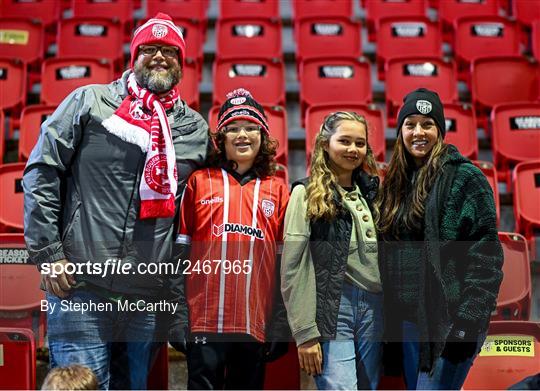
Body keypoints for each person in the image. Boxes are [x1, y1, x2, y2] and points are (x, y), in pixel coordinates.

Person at [23, 13, 209, 390]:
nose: (159, 57)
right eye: (150, 49)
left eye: (169, 51)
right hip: (80, 286)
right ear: (134, 56)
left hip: (145, 295)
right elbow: (42, 170)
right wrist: (48, 252)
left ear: (182, 61)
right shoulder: (89, 102)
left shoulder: (195, 129)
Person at [376, 88, 503, 389]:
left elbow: (486, 257)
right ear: (400, 131)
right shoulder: (395, 182)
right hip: (407, 324)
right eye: (411, 124)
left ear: (440, 130)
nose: (418, 132)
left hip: (449, 320)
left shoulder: (466, 179)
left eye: (427, 123)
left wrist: (467, 321)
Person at [172, 89, 290, 389]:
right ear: (221, 139)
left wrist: (281, 321)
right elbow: (179, 255)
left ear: (263, 136)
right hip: (204, 320)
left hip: (254, 322)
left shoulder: (277, 190)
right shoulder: (200, 182)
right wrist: (177, 313)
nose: (242, 135)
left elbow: (284, 265)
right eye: (233, 128)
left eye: (251, 128)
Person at [281, 111, 383, 390]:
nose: (353, 149)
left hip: (375, 309)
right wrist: (305, 333)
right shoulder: (306, 193)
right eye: (345, 141)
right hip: (333, 307)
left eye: (360, 143)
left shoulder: (373, 193)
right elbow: (293, 268)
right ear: (326, 144)